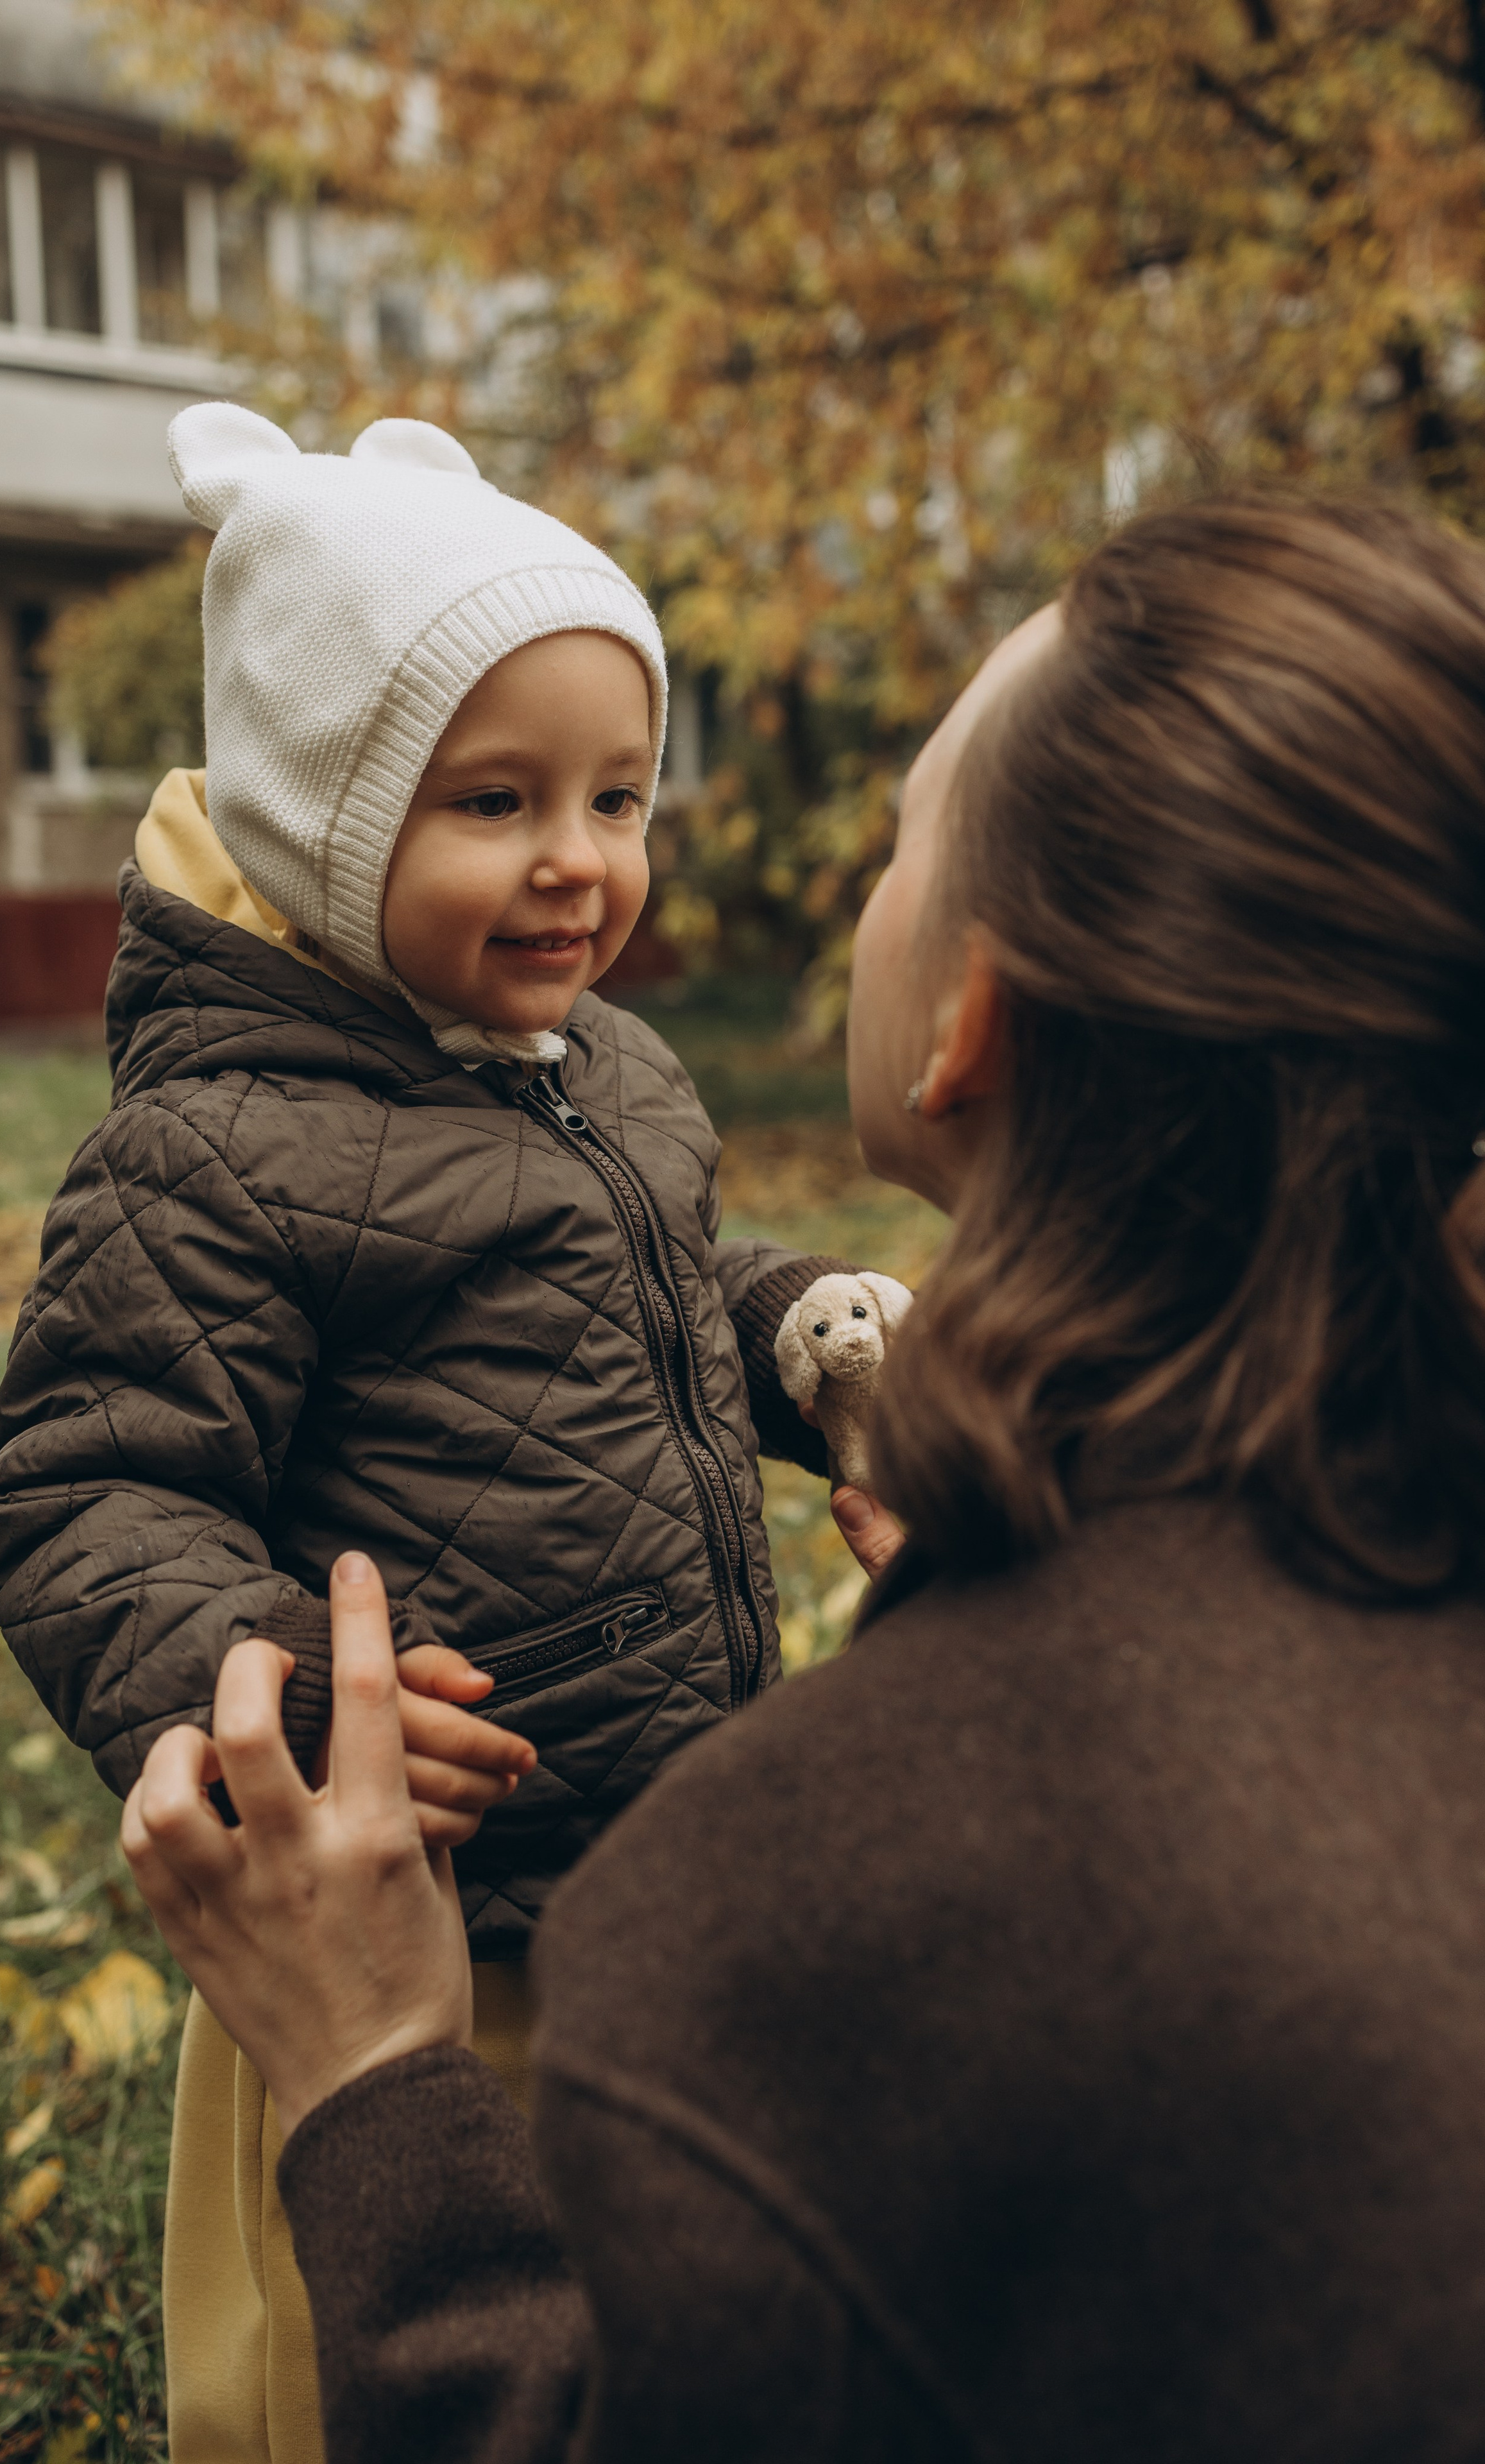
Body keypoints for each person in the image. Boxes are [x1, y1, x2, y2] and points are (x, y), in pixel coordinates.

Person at [125, 495, 1485, 2462]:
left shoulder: (776, 1914)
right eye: (500, 802)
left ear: (971, 1020)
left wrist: (372, 2077)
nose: (582, 867)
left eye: (897, 841)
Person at [0, 404, 877, 2464]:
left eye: (620, 795)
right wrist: (265, 1682)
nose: (581, 859)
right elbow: (86, 1491)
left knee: (621, 2281)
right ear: (322, 824)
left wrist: (806, 1335)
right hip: (397, 1909)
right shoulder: (216, 1148)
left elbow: (665, 1303)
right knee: (348, 2332)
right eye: (495, 801)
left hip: (642, 1848)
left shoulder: (610, 1075)